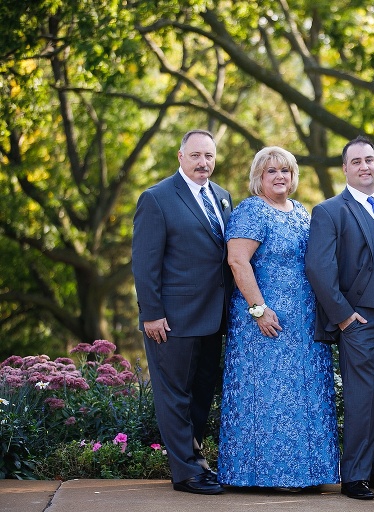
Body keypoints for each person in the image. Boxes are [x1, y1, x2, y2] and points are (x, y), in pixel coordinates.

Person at [217, 146, 340, 489]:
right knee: (271, 396)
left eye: (285, 170)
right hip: (265, 323)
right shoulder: (251, 211)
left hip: (304, 324)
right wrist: (258, 309)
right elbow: (237, 261)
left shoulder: (300, 211)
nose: (280, 176)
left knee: (305, 394)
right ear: (258, 176)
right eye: (271, 171)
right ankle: (265, 475)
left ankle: (309, 475)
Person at [305, 136, 374, 500]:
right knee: (362, 397)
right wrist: (344, 316)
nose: (365, 167)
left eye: (370, 160)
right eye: (357, 162)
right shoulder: (331, 211)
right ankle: (354, 476)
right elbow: (319, 269)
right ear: (346, 169)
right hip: (359, 322)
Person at [132, 129, 233, 495]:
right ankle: (186, 474)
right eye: (195, 156)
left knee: (202, 392)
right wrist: (151, 313)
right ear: (180, 157)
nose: (203, 162)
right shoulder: (157, 199)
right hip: (170, 319)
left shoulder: (222, 197)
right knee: (174, 395)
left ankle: (198, 462)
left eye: (208, 156)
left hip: (213, 317)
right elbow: (145, 263)